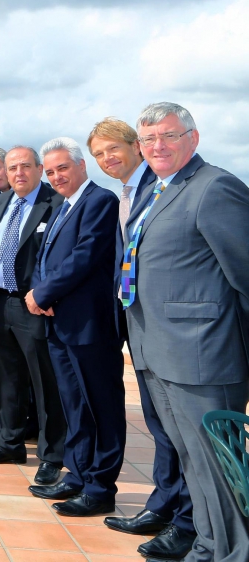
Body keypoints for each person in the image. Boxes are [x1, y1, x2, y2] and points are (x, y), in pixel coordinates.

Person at [125, 103, 249, 561]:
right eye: (149, 139)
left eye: (169, 136)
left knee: (218, 464)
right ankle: (211, 542)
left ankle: (234, 551)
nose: (158, 146)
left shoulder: (216, 187)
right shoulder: (157, 189)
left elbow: (245, 274)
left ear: (193, 139)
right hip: (156, 348)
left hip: (203, 355)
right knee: (192, 460)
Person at [89, 118, 194, 554]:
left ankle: (187, 521)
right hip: (138, 322)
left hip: (175, 332)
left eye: (113, 148)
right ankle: (165, 503)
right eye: (98, 153)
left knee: (182, 431)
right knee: (160, 424)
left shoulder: (164, 185)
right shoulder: (129, 193)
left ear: (134, 146)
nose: (107, 159)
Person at [25, 137, 124, 518]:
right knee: (74, 405)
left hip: (89, 326)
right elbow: (46, 257)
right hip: (59, 323)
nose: (56, 176)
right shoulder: (62, 206)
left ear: (82, 166)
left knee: (102, 408)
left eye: (62, 168)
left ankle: (101, 487)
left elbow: (84, 257)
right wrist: (40, 293)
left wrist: (44, 294)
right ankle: (78, 473)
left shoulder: (100, 201)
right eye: (50, 171)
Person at [0, 146, 66, 487]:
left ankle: (52, 455)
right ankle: (10, 443)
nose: (18, 173)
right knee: (8, 378)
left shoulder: (54, 203)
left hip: (33, 305)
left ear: (40, 169)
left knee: (45, 383)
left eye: (25, 166)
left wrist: (44, 293)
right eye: (11, 168)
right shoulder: (1, 202)